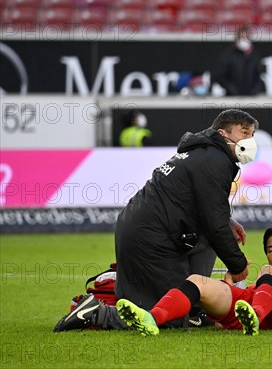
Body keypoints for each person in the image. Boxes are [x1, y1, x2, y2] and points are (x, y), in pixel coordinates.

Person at [54, 109, 258, 332]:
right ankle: (95, 313)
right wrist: (237, 264)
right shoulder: (214, 159)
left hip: (144, 228)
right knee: (167, 317)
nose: (250, 140)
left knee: (202, 253)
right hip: (151, 237)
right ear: (223, 133)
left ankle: (194, 309)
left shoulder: (203, 153)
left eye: (253, 135)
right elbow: (213, 223)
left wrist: (227, 221)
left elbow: (205, 207)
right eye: (244, 132)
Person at [116, 223, 272, 336]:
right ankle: (151, 318)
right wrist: (229, 283)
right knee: (198, 281)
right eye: (270, 248)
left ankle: (254, 316)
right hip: (256, 300)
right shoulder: (267, 281)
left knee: (267, 273)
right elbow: (222, 317)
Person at [214, 26, 265, 96]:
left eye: (246, 38)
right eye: (241, 38)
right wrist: (232, 90)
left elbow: (259, 76)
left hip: (251, 97)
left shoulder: (255, 55)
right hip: (232, 96)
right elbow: (221, 76)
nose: (244, 40)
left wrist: (255, 90)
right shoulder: (228, 55)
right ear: (237, 39)